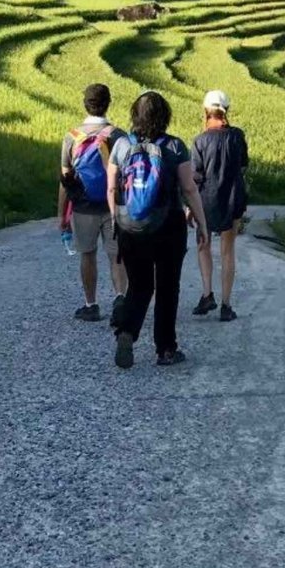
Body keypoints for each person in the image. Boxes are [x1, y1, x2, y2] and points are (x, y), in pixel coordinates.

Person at [107, 90, 210, 368]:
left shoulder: (120, 146)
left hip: (131, 225)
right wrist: (202, 223)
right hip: (168, 225)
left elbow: (112, 187)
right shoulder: (175, 147)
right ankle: (166, 349)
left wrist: (116, 219)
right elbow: (188, 188)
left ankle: (127, 332)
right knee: (167, 287)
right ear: (165, 116)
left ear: (134, 116)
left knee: (139, 286)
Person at [57, 83, 127, 322]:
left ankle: (91, 304)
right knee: (116, 255)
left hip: (83, 207)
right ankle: (120, 298)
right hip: (114, 206)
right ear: (108, 103)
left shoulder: (72, 137)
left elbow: (65, 180)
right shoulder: (118, 135)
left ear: (85, 104)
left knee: (87, 254)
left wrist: (61, 217)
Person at [191, 89, 249, 322]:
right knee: (228, 251)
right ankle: (226, 305)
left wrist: (189, 206)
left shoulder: (199, 140)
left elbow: (195, 177)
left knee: (203, 246)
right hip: (233, 199)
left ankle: (207, 294)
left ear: (206, 112)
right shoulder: (237, 136)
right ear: (227, 111)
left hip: (205, 201)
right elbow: (244, 165)